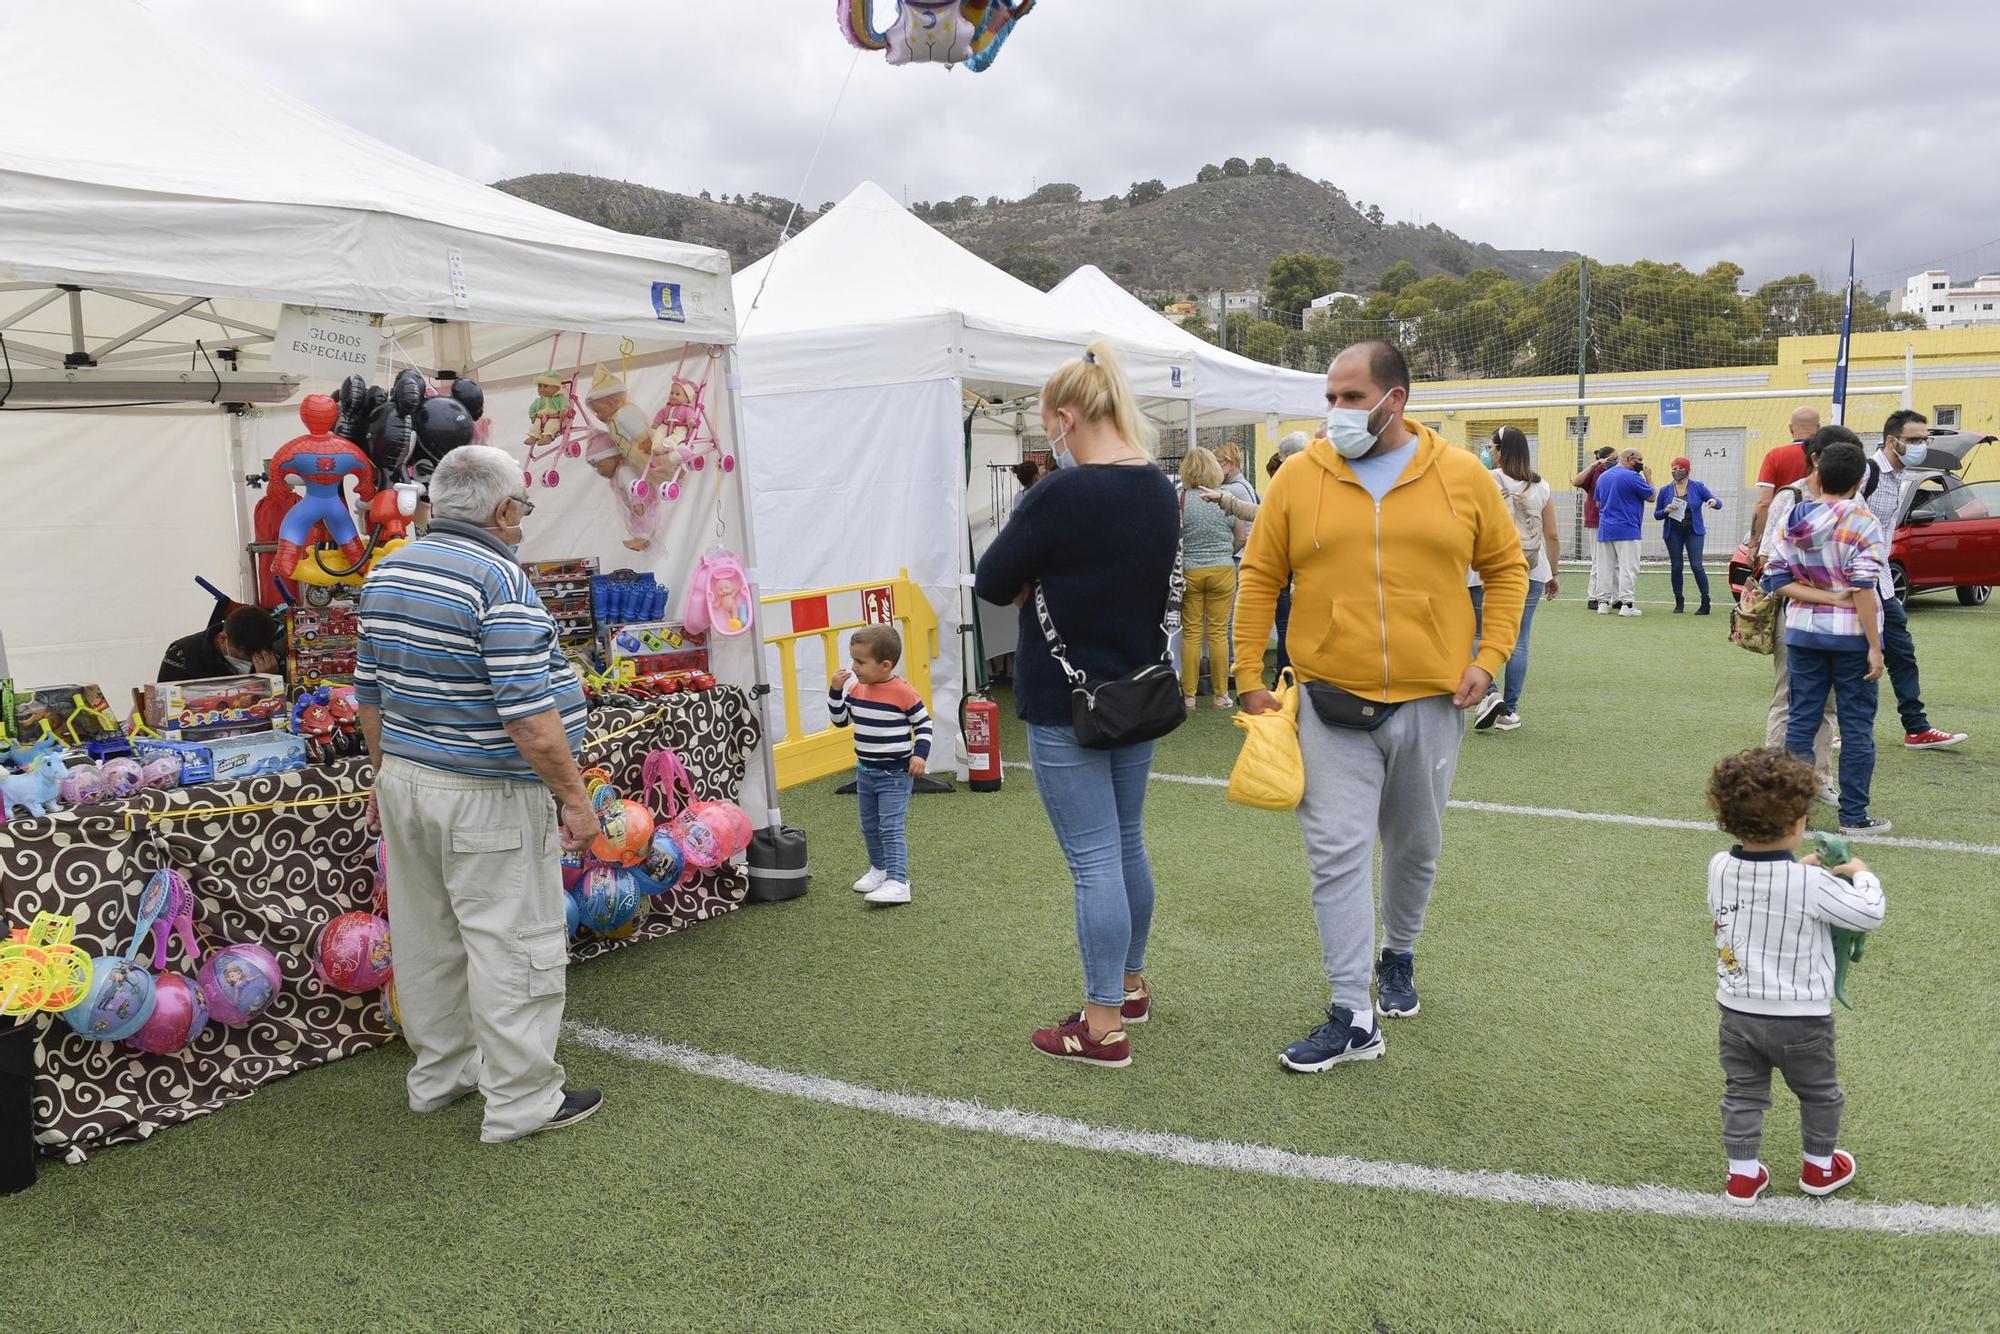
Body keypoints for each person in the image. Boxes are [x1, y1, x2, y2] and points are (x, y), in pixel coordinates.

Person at [1234, 341, 1527, 1073]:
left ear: (1397, 399)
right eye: (1330, 397)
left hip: (1432, 699)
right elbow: (1261, 575)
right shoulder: (1299, 478)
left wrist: (1487, 660)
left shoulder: (1462, 475)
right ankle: (1351, 1011)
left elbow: (1506, 568)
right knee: (1335, 852)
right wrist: (1245, 672)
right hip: (1329, 702)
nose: (1336, 412)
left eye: (1352, 398)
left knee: (1415, 844)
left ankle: (1399, 953)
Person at [355, 444, 603, 1142]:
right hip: (485, 789)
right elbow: (530, 719)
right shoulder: (500, 579)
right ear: (502, 509)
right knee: (513, 941)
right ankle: (522, 1102)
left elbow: (367, 691)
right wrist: (576, 801)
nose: (523, 519)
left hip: (407, 779)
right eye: (522, 507)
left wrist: (383, 773)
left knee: (427, 936)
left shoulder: (390, 568)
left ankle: (442, 1076)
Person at [973, 340, 1177, 1069]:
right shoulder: (1158, 486)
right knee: (1126, 842)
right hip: (1138, 691)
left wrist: (1040, 579)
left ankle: (1100, 1025)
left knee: (1094, 861)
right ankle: (1128, 985)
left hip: (1067, 699)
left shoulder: (1057, 494)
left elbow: (993, 582)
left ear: (1064, 416)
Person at [1705, 747, 1885, 1204]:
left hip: (1738, 1012)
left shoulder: (1719, 867)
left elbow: (1762, 892)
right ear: (1798, 825)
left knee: (1743, 1092)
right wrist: (1862, 874)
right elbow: (1868, 915)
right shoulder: (1813, 885)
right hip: (1802, 1018)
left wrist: (1796, 870)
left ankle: (1743, 1176)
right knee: (1820, 1093)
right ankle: (1819, 1168)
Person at [1762, 439, 1890, 835]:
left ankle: (1791, 810)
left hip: (1803, 634)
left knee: (1801, 720)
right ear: (1859, 482)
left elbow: (1777, 580)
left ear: (1816, 476)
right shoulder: (1864, 523)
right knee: (1855, 726)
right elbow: (1864, 589)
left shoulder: (1795, 518)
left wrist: (1822, 596)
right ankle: (1854, 815)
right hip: (1851, 638)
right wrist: (1874, 645)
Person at [1866, 410, 1969, 751]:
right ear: (1892, 440)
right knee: (1852, 658)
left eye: (1924, 439)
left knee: (1902, 653)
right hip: (1856, 586)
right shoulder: (1866, 474)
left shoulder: (1903, 477)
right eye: (1914, 440)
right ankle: (1832, 728)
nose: (1920, 446)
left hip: (1882, 584)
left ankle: (1917, 728)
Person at [1757, 430, 1838, 808]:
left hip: (1839, 623)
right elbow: (1769, 562)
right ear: (1818, 457)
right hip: (1794, 613)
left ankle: (1819, 777)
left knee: (1827, 703)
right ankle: (1775, 779)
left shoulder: (1849, 501)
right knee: (1788, 697)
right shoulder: (1790, 497)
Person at [829, 624, 934, 907]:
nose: (854, 667)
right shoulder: (856, 689)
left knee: (891, 827)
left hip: (895, 775)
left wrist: (919, 755)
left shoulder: (903, 692)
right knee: (870, 826)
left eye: (861, 662)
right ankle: (879, 870)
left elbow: (923, 724)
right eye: (853, 660)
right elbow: (840, 720)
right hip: (865, 772)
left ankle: (899, 881)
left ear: (885, 665)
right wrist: (836, 691)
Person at [1472, 427, 1560, 733]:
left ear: (1500, 450)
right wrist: (1554, 572)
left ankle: (1489, 691)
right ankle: (1509, 710)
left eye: (1490, 447)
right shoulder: (1542, 485)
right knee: (1520, 638)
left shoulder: (1484, 479)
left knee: (1477, 632)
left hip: (1485, 568)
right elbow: (1552, 534)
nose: (1488, 452)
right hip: (1531, 568)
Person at [1174, 445, 1242, 710]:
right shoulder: (1224, 498)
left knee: (1191, 633)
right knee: (1217, 634)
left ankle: (1189, 697)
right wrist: (1226, 553)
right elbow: (1241, 538)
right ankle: (1220, 695)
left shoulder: (1178, 499)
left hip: (1189, 572)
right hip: (1223, 570)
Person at [1654, 455, 1723, 614]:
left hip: (1694, 531)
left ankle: (1705, 601)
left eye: (1680, 468)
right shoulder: (1665, 490)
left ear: (1687, 470)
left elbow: (1717, 502)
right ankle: (1679, 601)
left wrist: (1713, 502)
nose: (1677, 471)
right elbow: (1657, 515)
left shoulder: (1698, 487)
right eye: (1674, 468)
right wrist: (1665, 510)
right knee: (1676, 566)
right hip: (1673, 532)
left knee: (1696, 566)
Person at [1593, 448, 1654, 616]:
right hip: (1628, 529)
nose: (1641, 463)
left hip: (1605, 528)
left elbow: (1597, 503)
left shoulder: (1603, 477)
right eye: (1639, 459)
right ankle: (1627, 605)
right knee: (1628, 568)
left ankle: (1603, 603)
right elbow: (1651, 497)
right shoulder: (1634, 477)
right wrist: (1649, 477)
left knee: (1604, 568)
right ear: (1630, 458)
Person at [1750, 406, 1820, 547]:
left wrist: (1753, 543)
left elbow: (1764, 502)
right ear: (1818, 428)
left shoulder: (1775, 456)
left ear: (1790, 428)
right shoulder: (1827, 456)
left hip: (1781, 535)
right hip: (1819, 533)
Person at [156, 604, 283, 682]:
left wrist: (270, 680)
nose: (255, 657)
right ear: (222, 639)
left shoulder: (272, 654)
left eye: (262, 650)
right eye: (247, 653)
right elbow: (163, 702)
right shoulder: (181, 654)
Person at [1572, 445, 1617, 610]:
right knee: (1598, 560)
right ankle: (1593, 596)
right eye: (1612, 458)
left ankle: (1614, 596)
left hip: (1614, 521)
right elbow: (1576, 481)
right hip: (1596, 520)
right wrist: (1593, 465)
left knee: (1616, 561)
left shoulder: (1618, 472)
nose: (1615, 461)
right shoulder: (1595, 472)